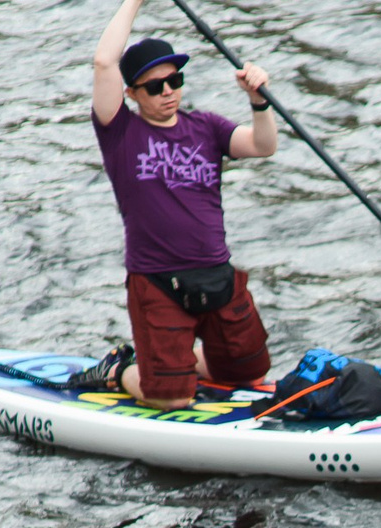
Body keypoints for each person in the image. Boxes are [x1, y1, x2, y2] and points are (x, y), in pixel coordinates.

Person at [81, 0, 278, 406]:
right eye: (154, 86)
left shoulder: (206, 126)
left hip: (217, 276)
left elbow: (263, 145)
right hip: (158, 282)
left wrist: (259, 101)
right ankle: (122, 370)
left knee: (250, 373)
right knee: (170, 400)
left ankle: (178, 361)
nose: (168, 91)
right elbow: (104, 63)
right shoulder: (120, 132)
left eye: (175, 80)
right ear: (133, 93)